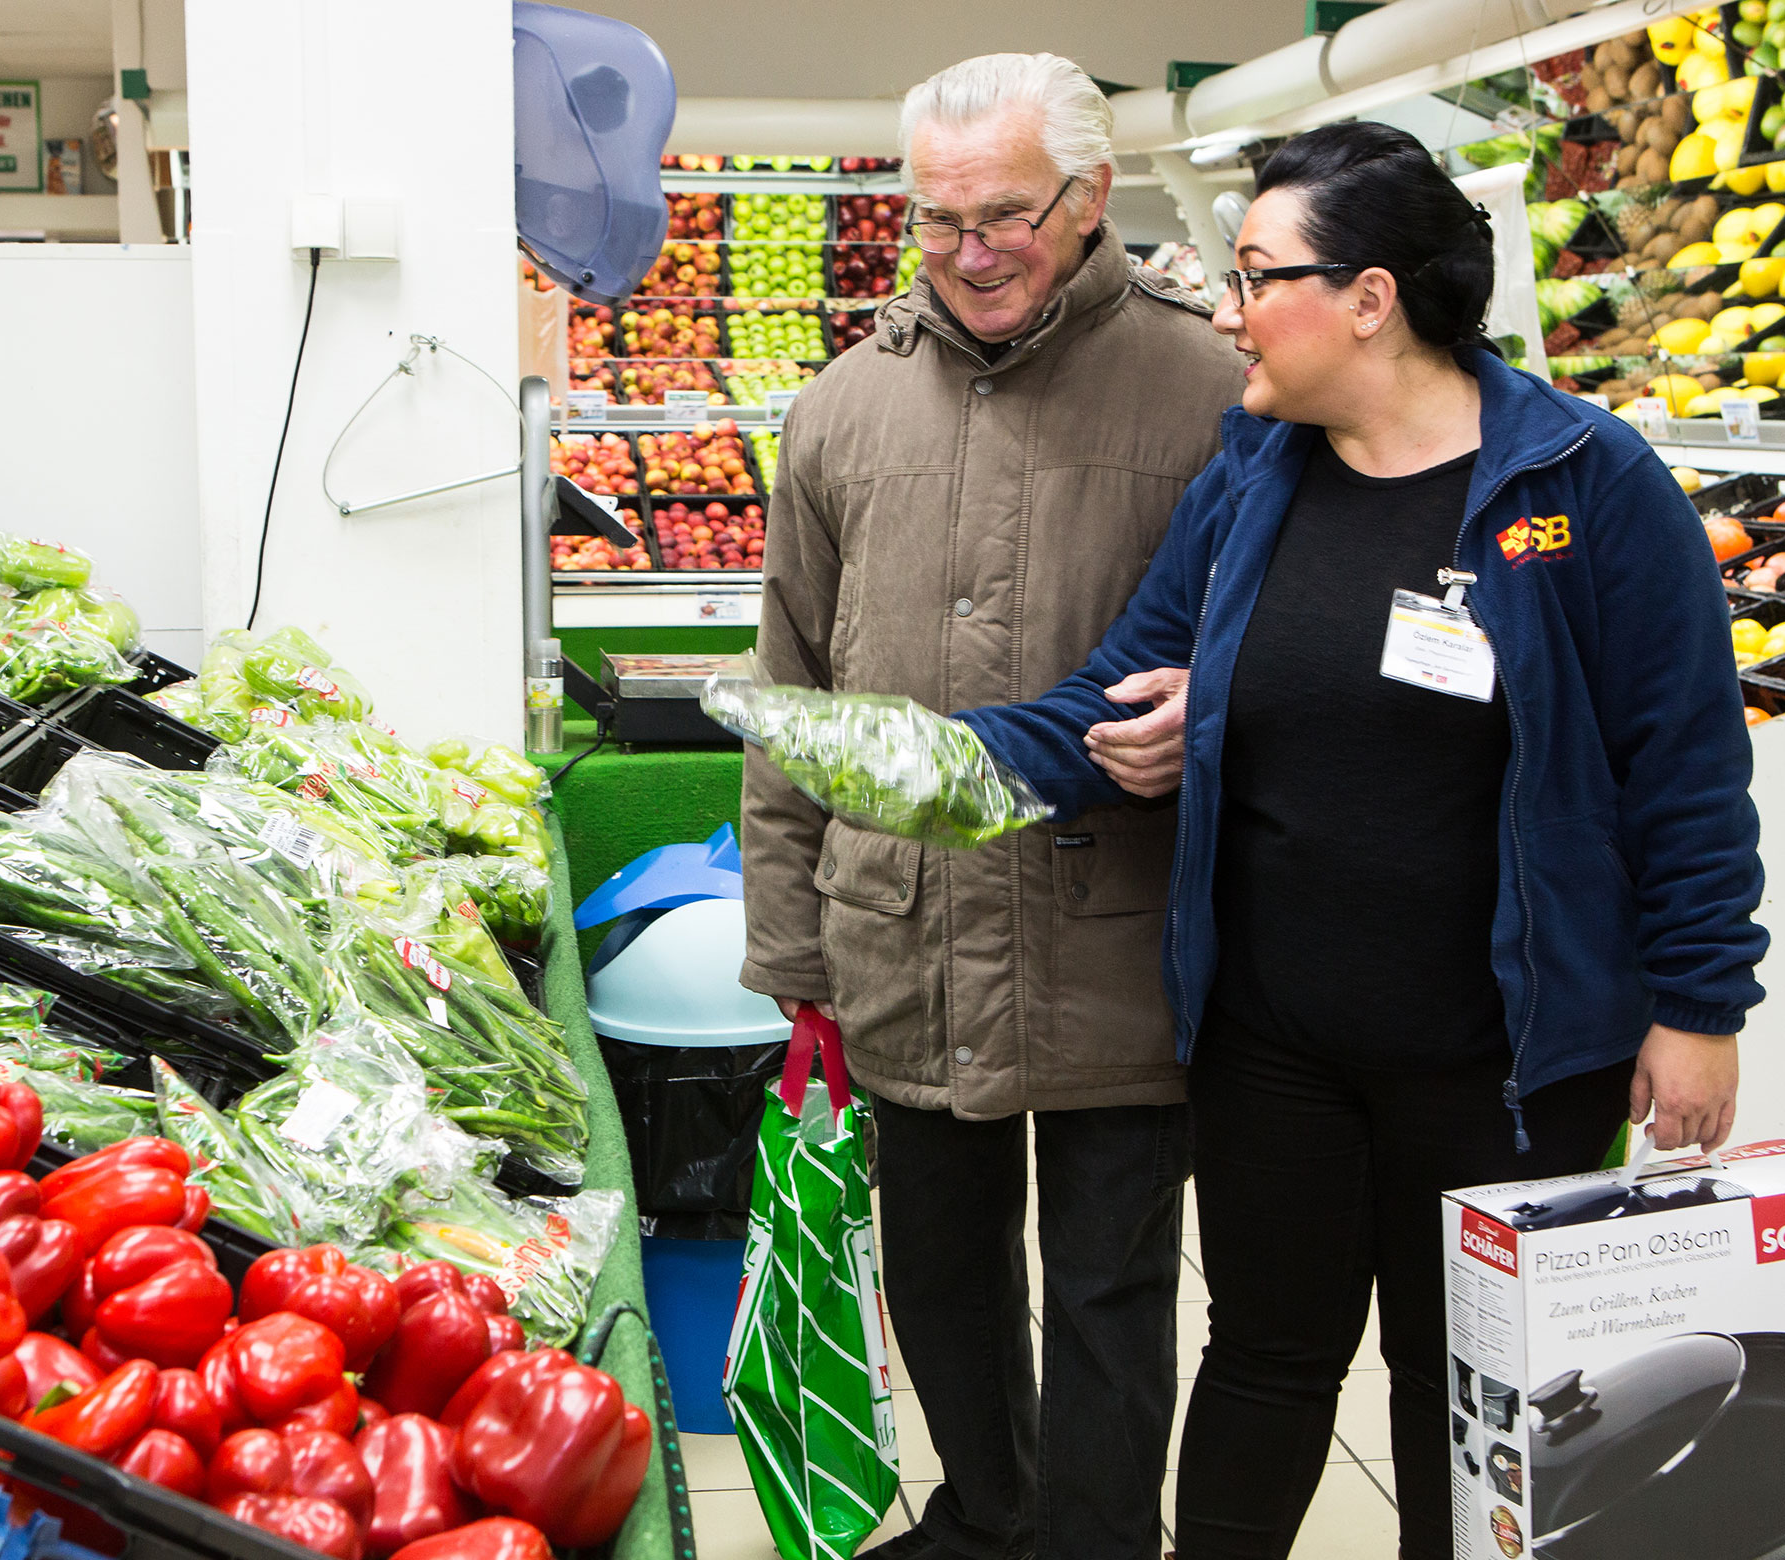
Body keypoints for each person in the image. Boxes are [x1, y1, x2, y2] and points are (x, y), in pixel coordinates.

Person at [957, 121, 1763, 1560]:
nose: (1222, 306)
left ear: (1371, 297)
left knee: (1474, 1390)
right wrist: (948, 760)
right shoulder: (1255, 477)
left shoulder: (1585, 487)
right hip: (1277, 1043)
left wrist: (1701, 1008)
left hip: (1511, 1054)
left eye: (1258, 274)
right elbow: (1115, 684)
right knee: (1266, 1361)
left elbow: (1686, 774)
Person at [737, 53, 1245, 1560]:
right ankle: (988, 1517)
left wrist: (1208, 721)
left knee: (1109, 1284)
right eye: (936, 218)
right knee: (941, 1269)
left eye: (1006, 214)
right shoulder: (843, 407)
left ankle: (1095, 1542)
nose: (969, 251)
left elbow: (1301, 647)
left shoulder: (1215, 390)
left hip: (1116, 927)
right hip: (902, 922)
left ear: (1089, 200)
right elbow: (792, 697)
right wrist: (792, 950)